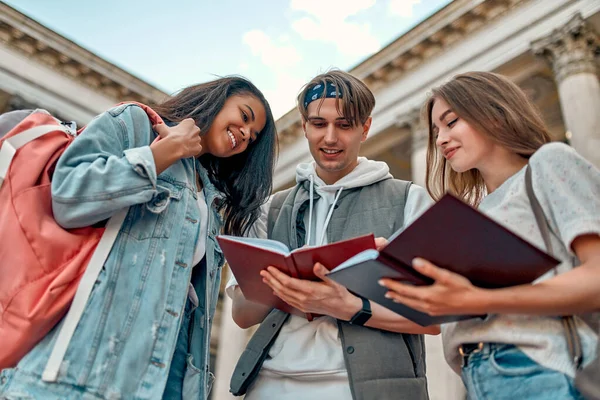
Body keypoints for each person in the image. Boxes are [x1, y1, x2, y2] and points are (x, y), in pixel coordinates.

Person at [0, 76, 278, 399]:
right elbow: (66, 195)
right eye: (244, 117)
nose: (245, 134)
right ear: (218, 98)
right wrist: (163, 154)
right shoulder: (137, 124)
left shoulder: (212, 199)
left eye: (252, 136)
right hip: (92, 362)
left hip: (171, 368)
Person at [379, 71, 600, 400]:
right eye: (436, 130)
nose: (439, 140)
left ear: (494, 114)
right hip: (477, 376)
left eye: (451, 122)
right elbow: (447, 307)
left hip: (539, 365)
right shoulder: (472, 217)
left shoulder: (548, 162)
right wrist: (400, 266)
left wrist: (479, 300)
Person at [227, 70, 438, 400]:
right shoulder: (271, 208)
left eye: (344, 124)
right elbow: (241, 315)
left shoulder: (409, 200)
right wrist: (291, 287)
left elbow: (433, 318)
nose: (330, 138)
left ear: (365, 128)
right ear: (304, 126)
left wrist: (345, 303)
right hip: (271, 384)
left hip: (368, 388)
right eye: (318, 124)